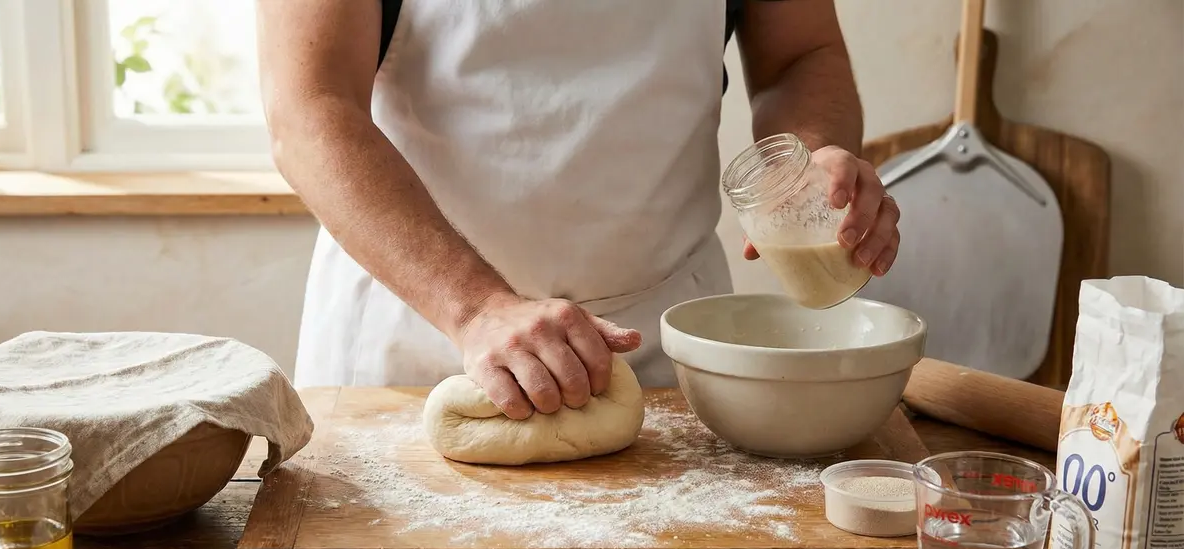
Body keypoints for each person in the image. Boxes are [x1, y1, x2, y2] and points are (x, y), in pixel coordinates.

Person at [257, 0, 900, 420]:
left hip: (664, 343)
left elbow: (800, 56)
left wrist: (810, 158)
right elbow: (310, 111)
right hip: (418, 343)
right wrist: (476, 310)